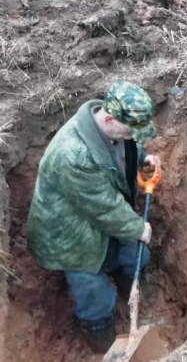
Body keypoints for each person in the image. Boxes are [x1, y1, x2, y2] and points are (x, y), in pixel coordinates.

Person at [26, 81, 161, 353]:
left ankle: (126, 285)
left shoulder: (112, 129)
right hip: (68, 236)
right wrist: (137, 228)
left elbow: (126, 147)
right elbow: (104, 208)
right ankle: (101, 340)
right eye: (131, 131)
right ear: (110, 119)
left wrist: (143, 159)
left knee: (138, 256)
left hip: (100, 218)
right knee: (96, 298)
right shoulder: (73, 154)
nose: (133, 137)